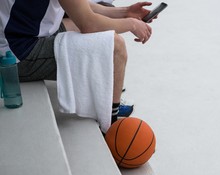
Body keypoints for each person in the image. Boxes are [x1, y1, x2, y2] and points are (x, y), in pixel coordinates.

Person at [0, 0, 155, 123]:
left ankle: (108, 94)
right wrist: (132, 24)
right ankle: (111, 123)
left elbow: (79, 6)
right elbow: (89, 24)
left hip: (19, 38)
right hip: (14, 56)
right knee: (114, 46)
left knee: (90, 25)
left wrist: (125, 12)